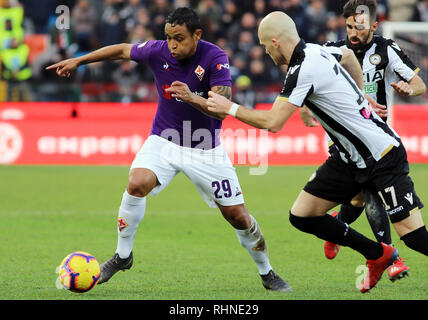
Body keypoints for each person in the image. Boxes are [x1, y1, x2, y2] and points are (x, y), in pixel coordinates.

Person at [46, 7, 291, 293]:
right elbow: (123, 51)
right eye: (168, 37)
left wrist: (191, 97)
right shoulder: (157, 51)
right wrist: (79, 60)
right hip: (164, 140)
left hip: (205, 149)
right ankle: (123, 256)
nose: (172, 45)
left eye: (179, 38)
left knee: (238, 216)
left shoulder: (215, 57)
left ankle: (266, 271)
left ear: (197, 35)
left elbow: (221, 110)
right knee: (136, 183)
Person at [206, 11, 428, 293]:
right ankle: (378, 254)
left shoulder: (301, 69)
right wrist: (360, 96)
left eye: (264, 46)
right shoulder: (317, 50)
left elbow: (273, 122)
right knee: (302, 215)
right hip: (350, 159)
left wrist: (230, 108)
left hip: (383, 154)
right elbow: (348, 56)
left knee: (414, 237)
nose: (265, 52)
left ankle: (382, 253)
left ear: (275, 42)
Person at [322, 0, 426, 278]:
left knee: (357, 200)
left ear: (374, 26)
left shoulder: (387, 49)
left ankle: (337, 226)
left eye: (360, 27)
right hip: (342, 138)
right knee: (371, 189)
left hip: (376, 137)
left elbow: (419, 84)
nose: (353, 33)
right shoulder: (331, 51)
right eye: (349, 26)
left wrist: (408, 88)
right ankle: (393, 259)